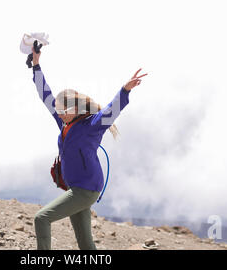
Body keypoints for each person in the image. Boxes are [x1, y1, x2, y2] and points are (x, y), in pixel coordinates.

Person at [30, 46, 147, 250]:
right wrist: (36, 65)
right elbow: (45, 94)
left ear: (76, 108)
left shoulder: (93, 125)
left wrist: (125, 90)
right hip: (75, 188)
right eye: (57, 109)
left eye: (62, 110)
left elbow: (111, 111)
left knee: (42, 218)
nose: (59, 113)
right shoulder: (64, 123)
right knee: (85, 243)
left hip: (86, 189)